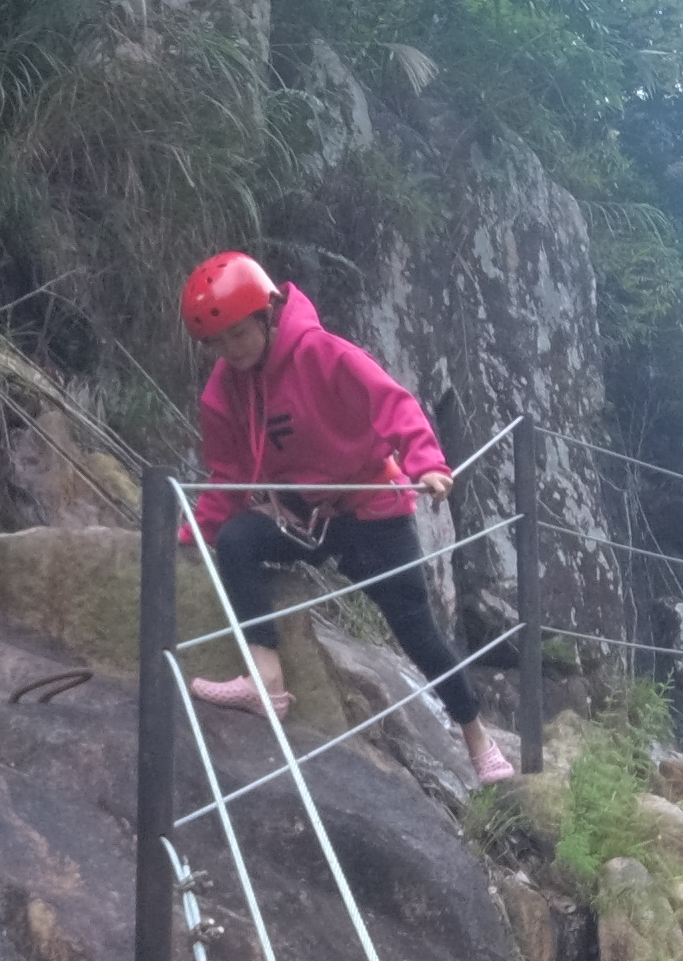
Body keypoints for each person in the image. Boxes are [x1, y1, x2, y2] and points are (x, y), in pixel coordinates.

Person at [176, 251, 517, 785]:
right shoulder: (225, 391)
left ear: (267, 313)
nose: (229, 352)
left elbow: (394, 404)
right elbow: (229, 471)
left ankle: (477, 738)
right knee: (238, 540)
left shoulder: (320, 353)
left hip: (371, 510)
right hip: (304, 518)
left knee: (417, 629)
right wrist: (196, 529)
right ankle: (267, 680)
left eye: (238, 335)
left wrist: (427, 464)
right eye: (217, 343)